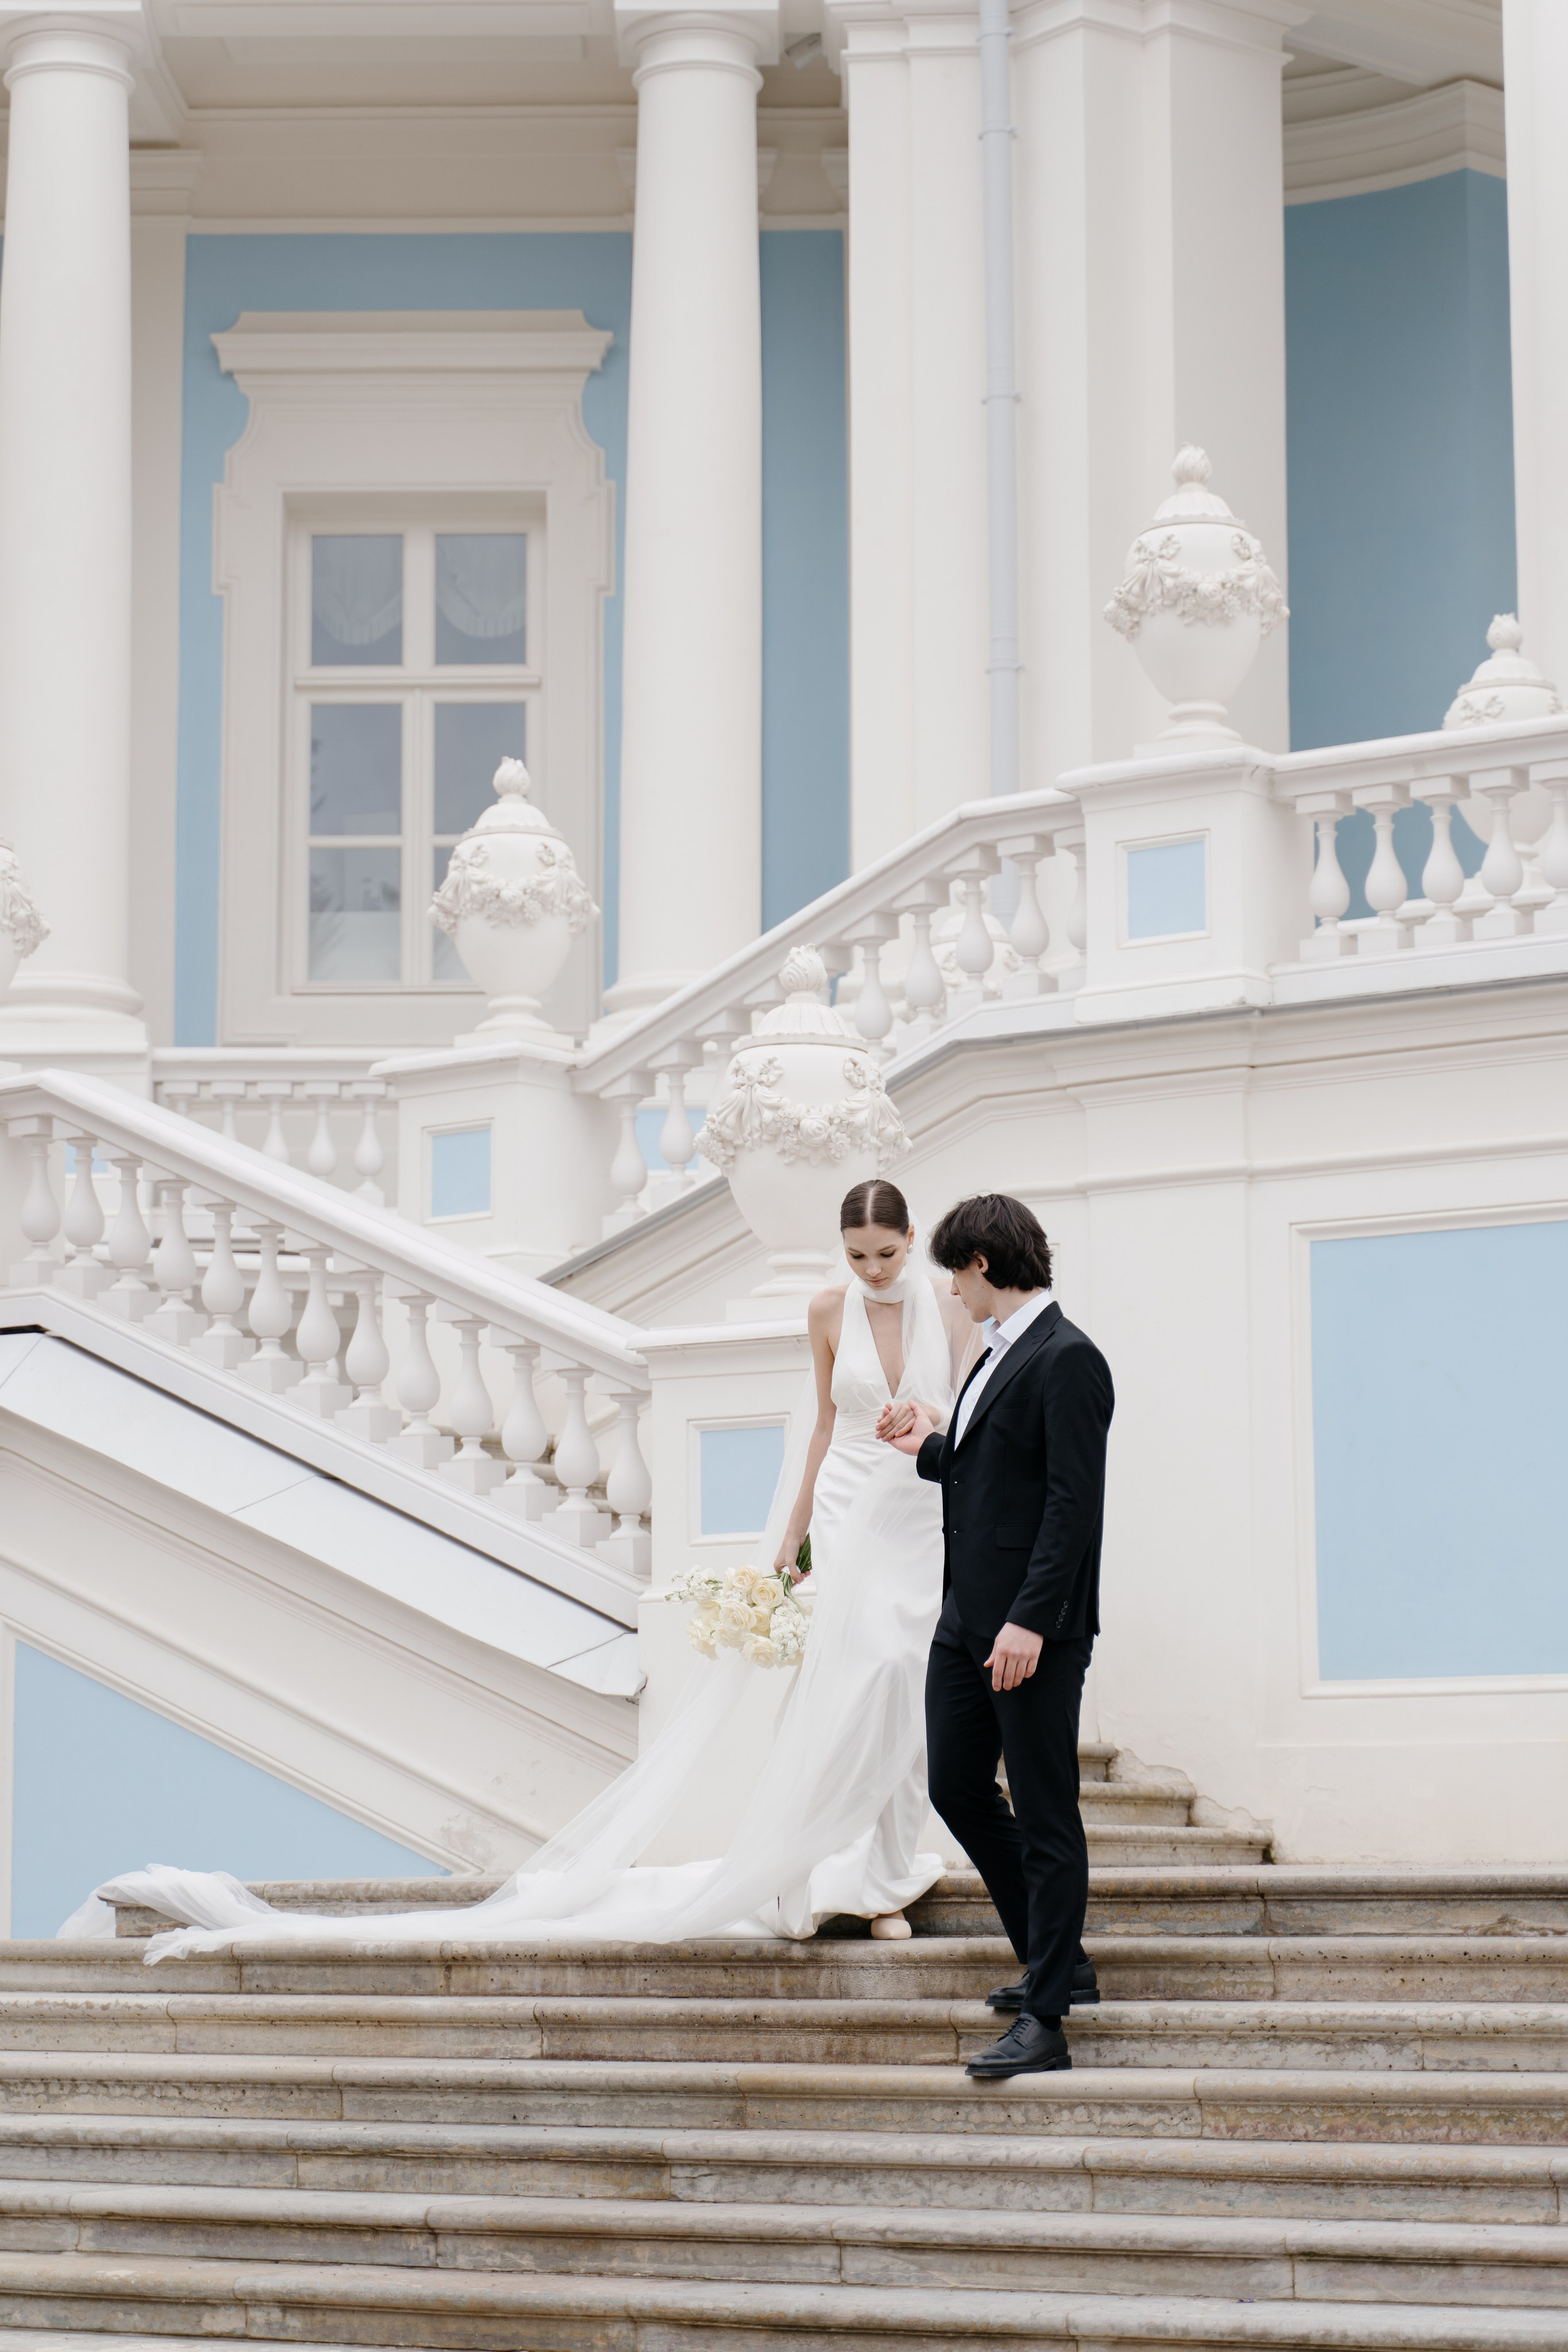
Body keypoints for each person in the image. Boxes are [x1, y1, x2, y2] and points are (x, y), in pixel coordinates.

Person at [78, 1180, 973, 1960]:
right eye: (857, 1255)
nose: (872, 1270)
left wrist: (942, 1444)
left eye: (885, 1254)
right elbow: (822, 1424)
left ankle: (890, 1870)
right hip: (852, 1502)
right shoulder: (827, 1311)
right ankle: (836, 1876)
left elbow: (971, 1419)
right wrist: (795, 1529)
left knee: (902, 1680)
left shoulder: (947, 1305)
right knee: (839, 1689)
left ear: (910, 1239)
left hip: (921, 1511)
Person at [880, 1192, 1114, 2080]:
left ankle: (1048, 2016)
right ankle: (1059, 1957)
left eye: (952, 1271)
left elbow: (1071, 1508)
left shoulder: (1069, 1358)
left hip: (1030, 1629)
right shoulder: (994, 1356)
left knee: (1049, 1813)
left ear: (981, 1264)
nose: (949, 1289)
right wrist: (929, 1447)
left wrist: (1031, 1622)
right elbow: (993, 1475)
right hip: (964, 1620)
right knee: (956, 1787)